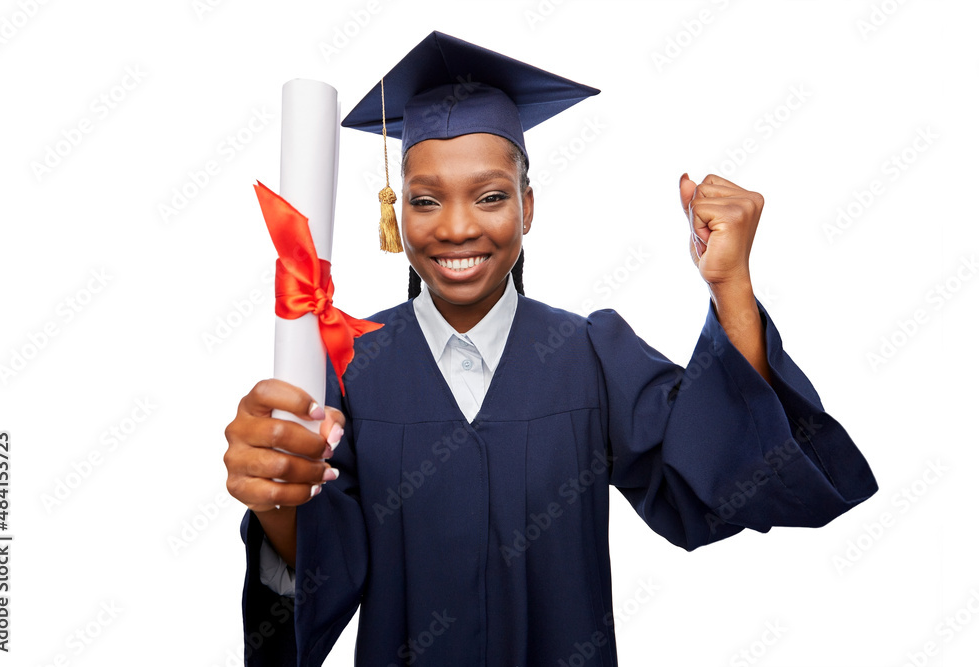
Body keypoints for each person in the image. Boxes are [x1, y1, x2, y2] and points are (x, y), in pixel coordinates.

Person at [223, 31, 877, 666]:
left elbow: (725, 476)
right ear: (397, 213)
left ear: (527, 207)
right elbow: (316, 568)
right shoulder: (349, 368)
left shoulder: (591, 355)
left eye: (489, 196)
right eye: (425, 200)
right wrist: (276, 496)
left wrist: (731, 285)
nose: (456, 227)